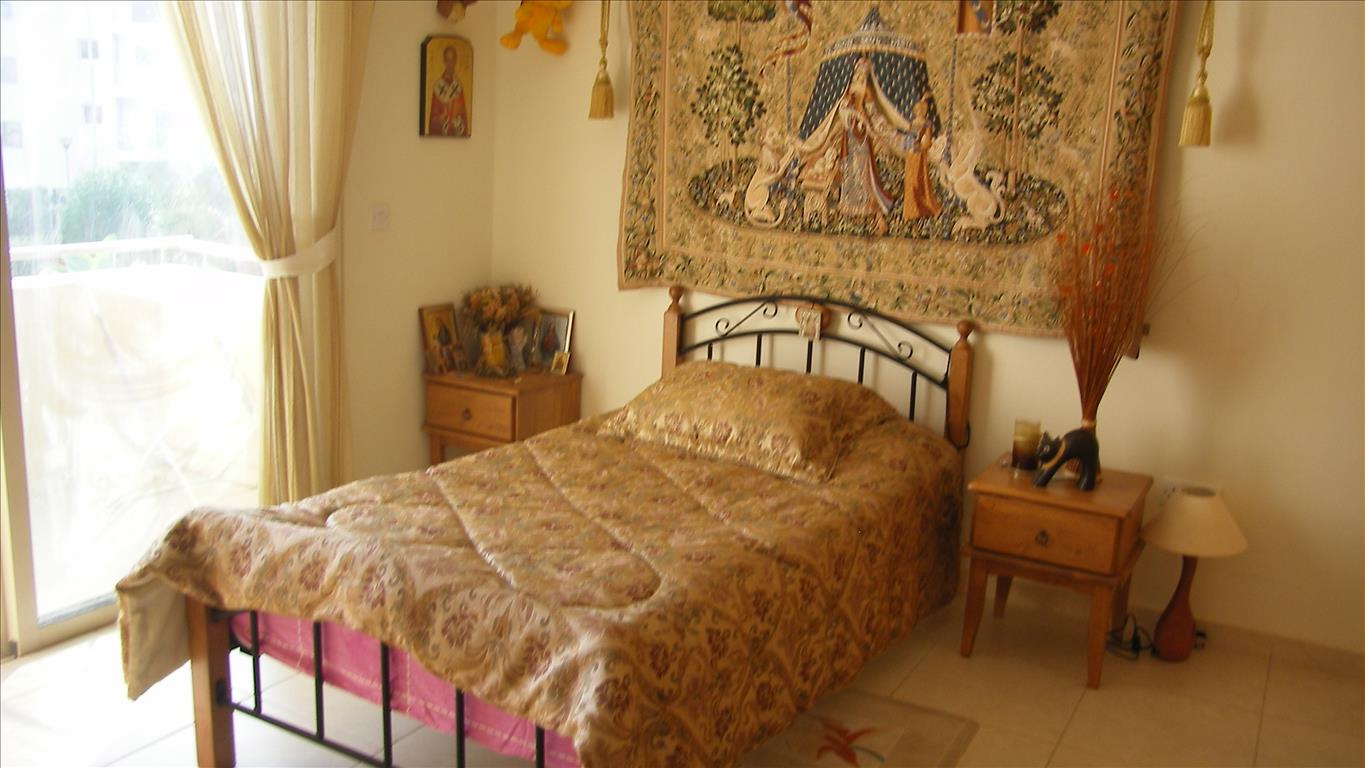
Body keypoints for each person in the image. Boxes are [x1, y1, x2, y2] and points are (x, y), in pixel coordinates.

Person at [901, 96, 943, 220]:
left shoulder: (926, 124)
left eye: (921, 110)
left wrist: (919, 146)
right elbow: (907, 139)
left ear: (925, 111)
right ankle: (911, 211)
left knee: (918, 182)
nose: (919, 112)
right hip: (910, 156)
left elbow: (927, 143)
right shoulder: (912, 123)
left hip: (919, 156)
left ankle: (926, 208)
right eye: (917, 110)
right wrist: (908, 145)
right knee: (910, 183)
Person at [428, 45, 468, 136]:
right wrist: (441, 118)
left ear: (455, 61)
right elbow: (433, 120)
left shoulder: (458, 87)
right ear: (444, 61)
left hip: (456, 135)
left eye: (452, 60)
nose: (450, 64)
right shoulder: (438, 86)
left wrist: (458, 119)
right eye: (448, 60)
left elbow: (463, 117)